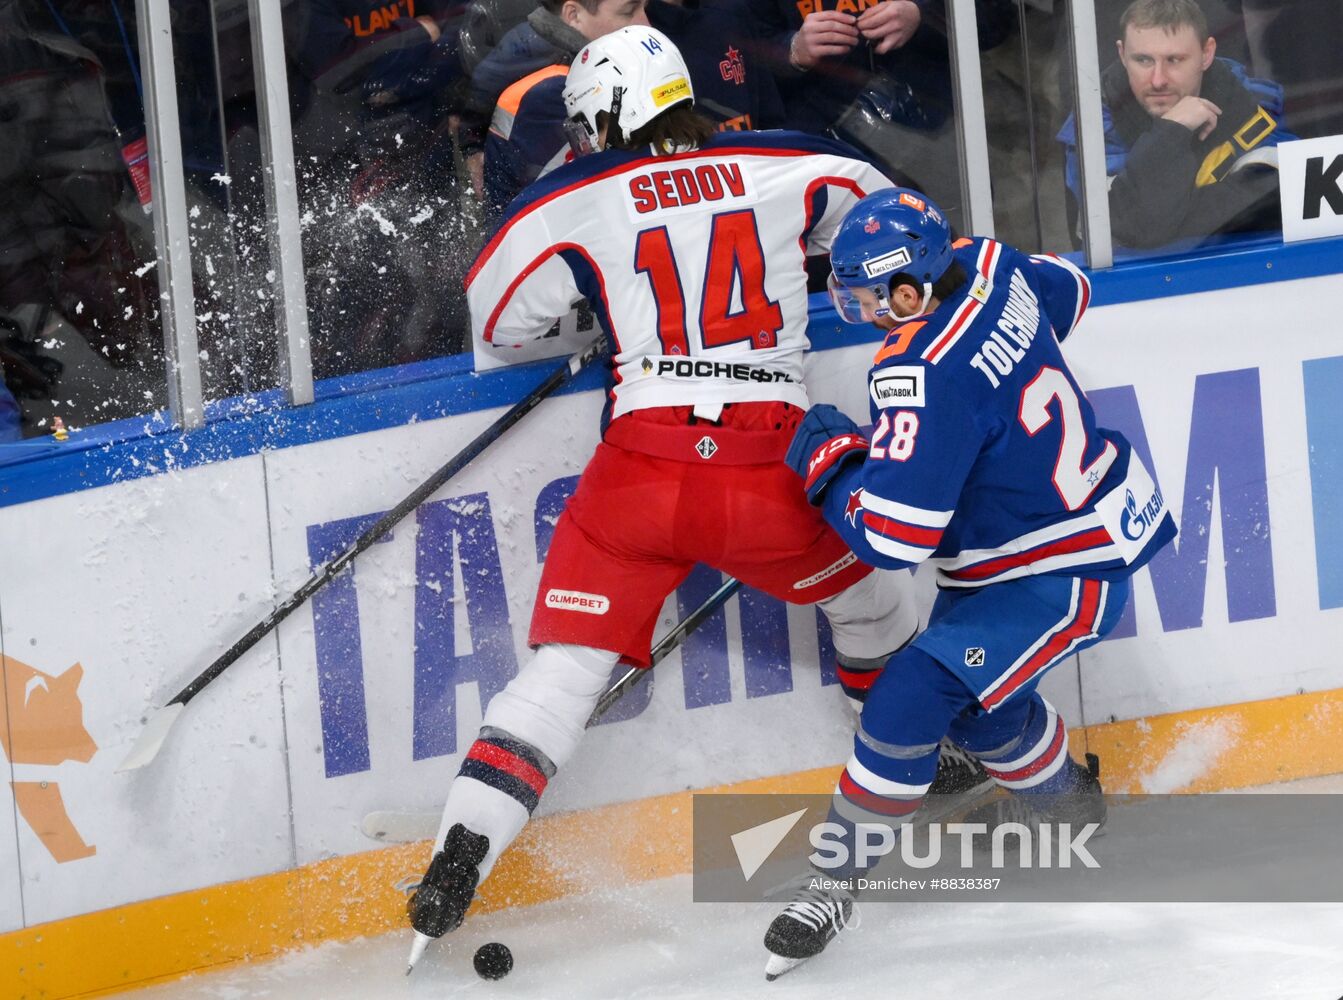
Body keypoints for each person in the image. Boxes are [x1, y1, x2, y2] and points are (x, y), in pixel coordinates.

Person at [405, 26, 921, 960]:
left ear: (604, 116)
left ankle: (459, 853)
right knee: (872, 606)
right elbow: (896, 229)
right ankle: (910, 755)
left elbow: (497, 317)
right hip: (768, 467)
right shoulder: (792, 160)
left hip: (637, 471)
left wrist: (597, 303)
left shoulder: (571, 195)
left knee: (563, 671)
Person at [760, 186, 1178, 978]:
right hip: (1040, 553)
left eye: (862, 291)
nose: (851, 304)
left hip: (1057, 574)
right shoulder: (987, 261)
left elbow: (891, 535)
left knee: (909, 695)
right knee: (984, 718)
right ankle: (1067, 805)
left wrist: (830, 464)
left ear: (908, 288)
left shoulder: (916, 369)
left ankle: (830, 884)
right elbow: (1069, 291)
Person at [476, 0, 784, 215]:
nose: (646, 24)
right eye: (629, 11)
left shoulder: (583, 65)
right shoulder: (554, 94)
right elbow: (601, 219)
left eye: (644, 8)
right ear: (573, 15)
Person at [1057, 0, 1296, 250]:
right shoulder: (1092, 130)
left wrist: (1175, 218)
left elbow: (1278, 205)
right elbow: (1138, 227)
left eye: (1174, 60)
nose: (1158, 80)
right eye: (1143, 60)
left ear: (1206, 54)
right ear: (1122, 55)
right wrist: (1172, 131)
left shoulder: (1255, 105)